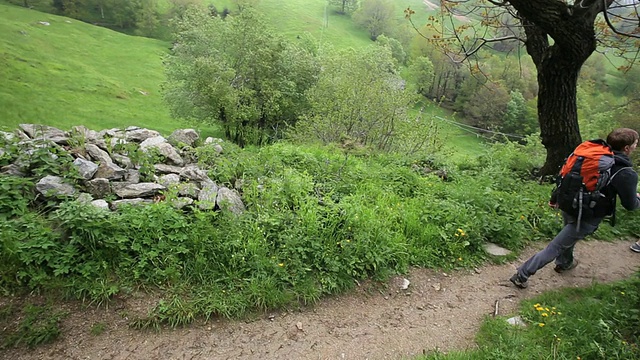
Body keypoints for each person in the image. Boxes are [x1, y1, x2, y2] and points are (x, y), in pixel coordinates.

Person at [510, 128, 640, 289]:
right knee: (557, 245)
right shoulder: (625, 172)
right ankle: (521, 275)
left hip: (569, 202)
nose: (636, 146)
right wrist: (637, 199)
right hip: (588, 214)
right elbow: (630, 205)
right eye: (635, 144)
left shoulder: (592, 154)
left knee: (569, 234)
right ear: (626, 148)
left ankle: (564, 263)